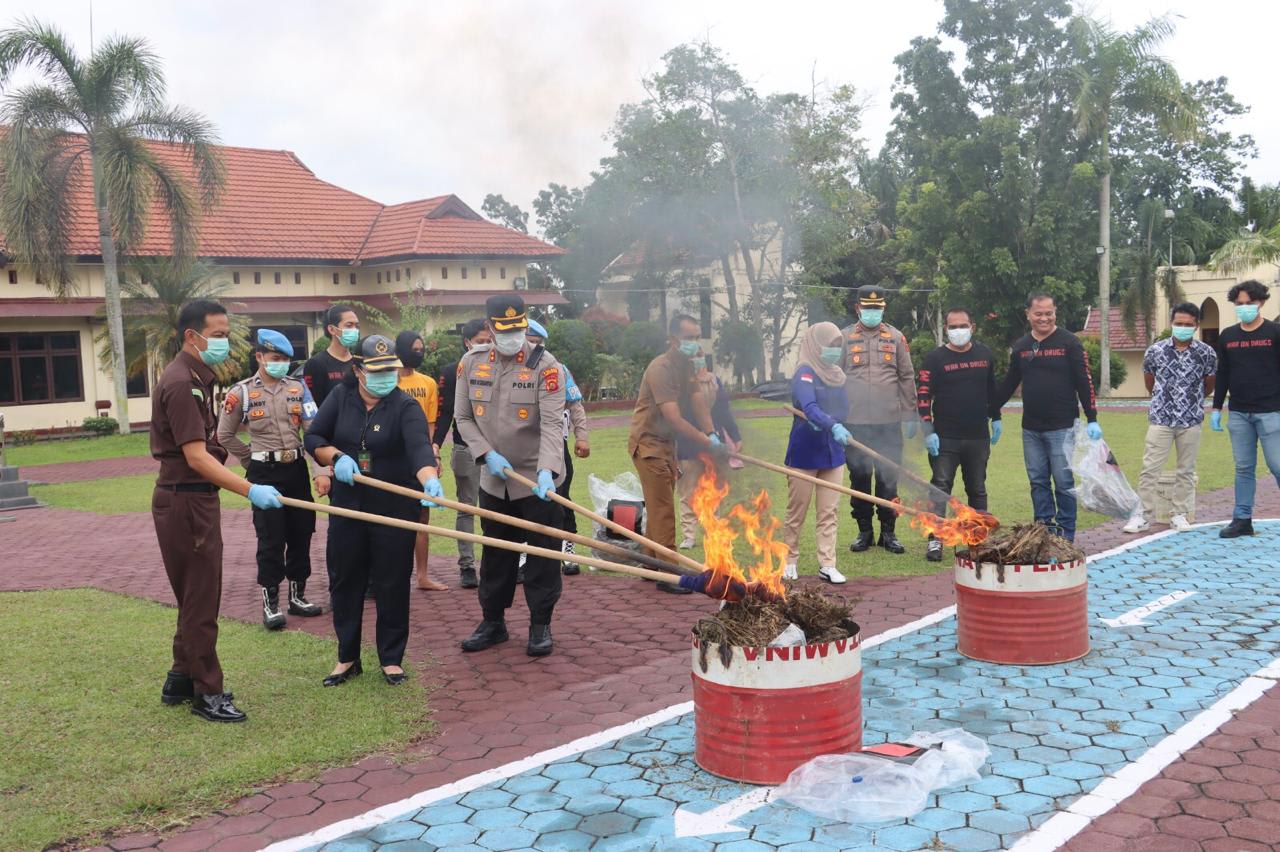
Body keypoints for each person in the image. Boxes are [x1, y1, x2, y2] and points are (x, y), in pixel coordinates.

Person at [151, 300, 285, 723]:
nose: (227, 342)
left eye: (228, 333)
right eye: (220, 334)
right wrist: (250, 489)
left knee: (195, 594)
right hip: (186, 499)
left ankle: (179, 677)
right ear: (193, 336)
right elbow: (196, 456)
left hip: (192, 498)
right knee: (201, 599)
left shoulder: (194, 377)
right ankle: (207, 692)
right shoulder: (180, 384)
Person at [304, 335, 444, 686]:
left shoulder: (405, 406)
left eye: (391, 371)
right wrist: (337, 457)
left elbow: (419, 450)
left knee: (392, 581)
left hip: (394, 507)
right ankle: (347, 657)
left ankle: (391, 659)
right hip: (349, 506)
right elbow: (315, 438)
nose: (387, 377)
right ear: (359, 370)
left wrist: (428, 479)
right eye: (378, 370)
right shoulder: (341, 398)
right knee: (346, 580)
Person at [454, 295, 567, 656]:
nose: (513, 336)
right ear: (489, 328)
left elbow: (552, 425)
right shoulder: (471, 364)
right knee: (497, 553)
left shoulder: (545, 366)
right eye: (504, 331)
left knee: (543, 555)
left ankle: (540, 624)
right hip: (494, 478)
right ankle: (493, 622)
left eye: (518, 329)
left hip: (537, 480)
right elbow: (464, 418)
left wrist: (547, 471)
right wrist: (485, 454)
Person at [216, 329, 325, 628]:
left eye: (286, 359)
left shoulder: (298, 388)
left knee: (302, 533)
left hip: (296, 469)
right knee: (271, 538)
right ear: (260, 357)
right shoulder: (240, 392)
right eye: (275, 358)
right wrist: (251, 460)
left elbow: (312, 432)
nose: (282, 364)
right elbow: (223, 434)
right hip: (264, 473)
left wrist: (321, 471)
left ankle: (298, 597)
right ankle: (271, 603)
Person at [993, 293, 1101, 542]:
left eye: (1049, 313)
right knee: (1038, 481)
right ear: (1028, 314)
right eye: (1038, 313)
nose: (1044, 318)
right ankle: (1043, 529)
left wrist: (1092, 416)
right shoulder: (1021, 347)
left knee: (1063, 482)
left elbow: (1084, 381)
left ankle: (1065, 535)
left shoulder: (1069, 343)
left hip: (1062, 426)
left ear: (1055, 313)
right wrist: (991, 409)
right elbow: (1010, 382)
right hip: (1031, 428)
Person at [628, 314, 723, 594]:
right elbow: (674, 418)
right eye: (689, 338)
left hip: (667, 446)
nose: (694, 343)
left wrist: (712, 431)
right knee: (663, 509)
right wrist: (705, 441)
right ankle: (669, 574)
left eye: (697, 337)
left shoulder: (688, 368)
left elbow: (698, 404)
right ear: (673, 339)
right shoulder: (661, 368)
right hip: (648, 445)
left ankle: (647, 563)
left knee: (659, 506)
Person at [917, 307, 1002, 561]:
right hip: (945, 437)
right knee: (941, 486)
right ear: (946, 329)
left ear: (972, 327)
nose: (958, 331)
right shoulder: (935, 359)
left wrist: (996, 417)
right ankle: (936, 538)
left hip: (977, 435)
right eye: (952, 327)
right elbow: (922, 396)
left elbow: (992, 390)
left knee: (977, 488)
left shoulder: (985, 355)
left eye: (962, 326)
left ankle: (978, 536)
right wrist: (928, 429)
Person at [1124, 303, 1217, 534]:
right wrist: (1165, 399)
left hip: (1191, 420)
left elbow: (1209, 384)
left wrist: (1190, 402)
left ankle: (1179, 514)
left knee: (1186, 469)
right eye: (1178, 324)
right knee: (1150, 468)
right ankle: (1143, 516)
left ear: (1196, 325)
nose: (1183, 328)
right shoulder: (1155, 351)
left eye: (1188, 325)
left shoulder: (1206, 353)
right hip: (1161, 418)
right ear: (1171, 323)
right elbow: (1149, 381)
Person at [841, 286, 918, 555]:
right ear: (858, 309)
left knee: (888, 479)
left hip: (888, 423)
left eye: (877, 308)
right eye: (867, 308)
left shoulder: (896, 337)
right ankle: (864, 531)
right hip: (855, 423)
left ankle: (888, 532)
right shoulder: (844, 338)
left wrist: (910, 415)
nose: (872, 312)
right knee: (859, 478)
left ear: (883, 308)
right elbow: (835, 378)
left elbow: (907, 377)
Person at [1210, 280, 1280, 538]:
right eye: (1239, 304)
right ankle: (1242, 520)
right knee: (1243, 468)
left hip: (1271, 410)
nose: (1244, 308)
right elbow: (1223, 372)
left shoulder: (1275, 332)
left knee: (1277, 465)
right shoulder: (1228, 336)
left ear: (1261, 302)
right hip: (1239, 412)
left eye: (1249, 303)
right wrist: (1217, 408)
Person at [782, 322, 850, 584]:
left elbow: (844, 409)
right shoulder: (805, 372)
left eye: (837, 346)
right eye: (829, 345)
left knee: (829, 511)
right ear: (815, 344)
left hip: (833, 452)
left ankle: (827, 563)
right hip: (804, 453)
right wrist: (826, 422)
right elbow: (808, 405)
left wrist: (834, 423)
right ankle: (789, 560)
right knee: (797, 510)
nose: (833, 350)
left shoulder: (837, 374)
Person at [525, 319, 590, 574]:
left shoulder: (558, 369)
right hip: (522, 448)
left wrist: (582, 437)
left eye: (537, 343)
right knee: (522, 501)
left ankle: (568, 549)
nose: (533, 348)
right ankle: (524, 554)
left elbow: (575, 406)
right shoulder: (508, 369)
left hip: (554, 446)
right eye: (529, 343)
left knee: (561, 497)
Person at [434, 318, 492, 588]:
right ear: (467, 342)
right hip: (465, 448)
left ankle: (500, 562)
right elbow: (445, 412)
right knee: (467, 508)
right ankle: (467, 566)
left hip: (497, 450)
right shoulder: (451, 371)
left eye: (489, 340)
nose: (486, 346)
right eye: (481, 341)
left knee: (497, 509)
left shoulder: (501, 367)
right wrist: (435, 445)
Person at [395, 330, 448, 591]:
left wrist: (432, 457)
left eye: (421, 348)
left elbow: (430, 426)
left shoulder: (427, 382)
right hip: (393, 459)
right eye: (414, 348)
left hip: (419, 460)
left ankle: (423, 576)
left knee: (421, 516)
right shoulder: (388, 380)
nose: (418, 353)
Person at [677, 350, 741, 549]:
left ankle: (714, 531)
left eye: (700, 355)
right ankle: (689, 535)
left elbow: (724, 411)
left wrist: (736, 436)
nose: (697, 359)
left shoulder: (714, 382)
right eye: (693, 355)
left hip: (714, 446)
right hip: (688, 445)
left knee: (714, 489)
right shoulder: (679, 383)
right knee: (688, 492)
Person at [303, 304, 360, 407]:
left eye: (357, 326)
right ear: (332, 329)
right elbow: (314, 404)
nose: (355, 330)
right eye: (349, 325)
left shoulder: (358, 361)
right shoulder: (316, 363)